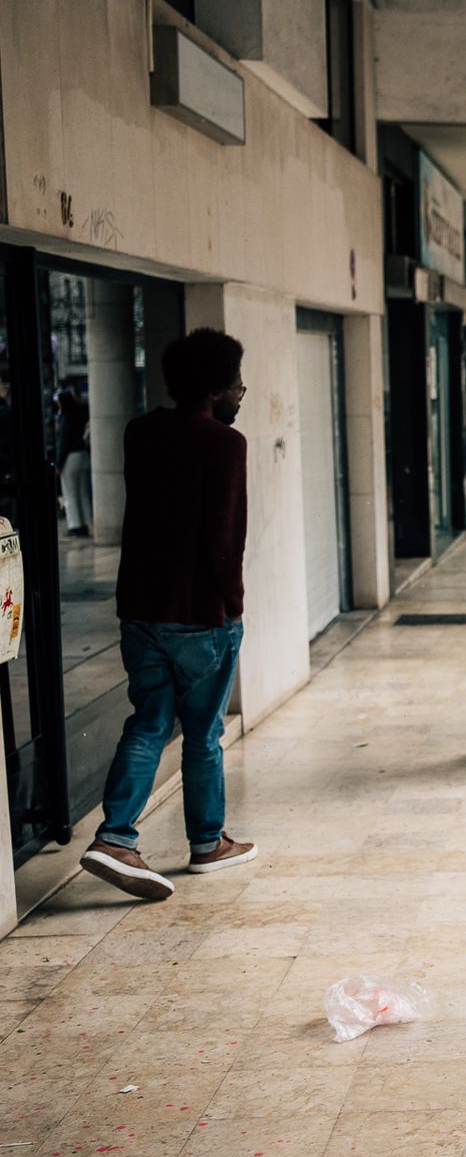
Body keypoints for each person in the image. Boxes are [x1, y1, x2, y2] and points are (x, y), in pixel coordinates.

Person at [80, 328, 256, 900]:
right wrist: (231, 604)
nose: (239, 396)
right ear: (214, 390)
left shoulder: (141, 433)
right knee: (203, 733)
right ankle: (207, 844)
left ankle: (115, 836)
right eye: (236, 387)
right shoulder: (225, 445)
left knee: (149, 721)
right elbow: (225, 540)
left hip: (140, 611)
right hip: (201, 617)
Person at [56, 390, 92, 537]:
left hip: (70, 458)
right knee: (82, 492)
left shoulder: (65, 418)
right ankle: (85, 523)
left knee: (70, 494)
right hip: (83, 455)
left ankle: (75, 526)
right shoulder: (79, 416)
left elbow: (63, 443)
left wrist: (58, 464)